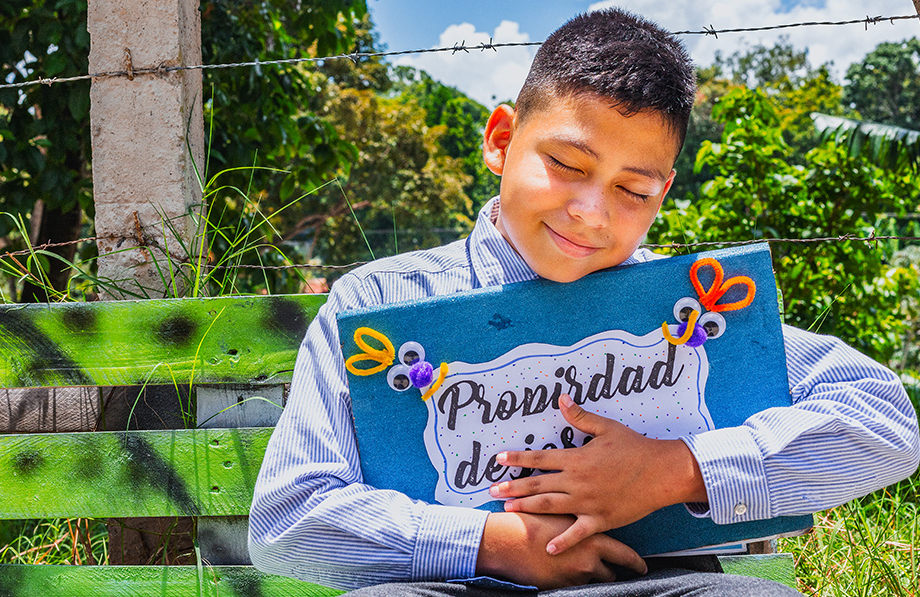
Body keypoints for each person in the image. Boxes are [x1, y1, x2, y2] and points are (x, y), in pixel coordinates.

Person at [248, 8, 920, 595]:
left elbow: (885, 420)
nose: (590, 214)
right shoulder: (378, 302)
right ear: (501, 140)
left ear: (662, 194)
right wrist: (493, 541)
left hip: (652, 579)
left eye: (632, 190)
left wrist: (675, 469)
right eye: (566, 165)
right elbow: (286, 520)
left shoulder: (684, 305)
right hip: (445, 584)